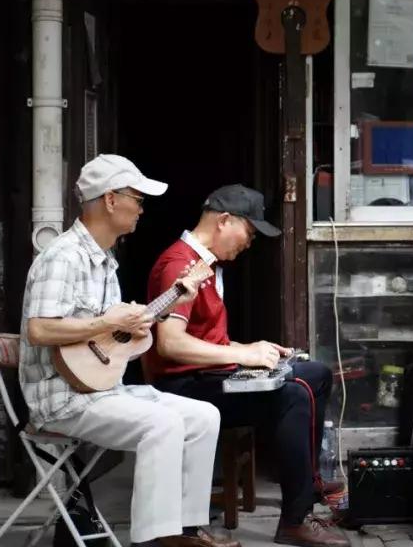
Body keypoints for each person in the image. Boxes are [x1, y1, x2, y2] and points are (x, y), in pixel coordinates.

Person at [19, 154, 238, 547]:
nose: (141, 208)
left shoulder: (107, 263)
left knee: (204, 416)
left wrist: (144, 321)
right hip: (63, 398)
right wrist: (110, 323)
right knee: (162, 424)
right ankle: (155, 538)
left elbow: (111, 345)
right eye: (137, 199)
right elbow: (39, 329)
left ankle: (184, 530)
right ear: (110, 200)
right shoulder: (63, 257)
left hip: (102, 389)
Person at [144, 184, 347, 547]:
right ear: (224, 221)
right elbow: (170, 343)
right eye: (249, 232)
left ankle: (311, 487)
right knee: (294, 394)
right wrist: (243, 356)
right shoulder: (181, 264)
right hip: (184, 386)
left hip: (206, 375)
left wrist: (251, 347)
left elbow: (207, 341)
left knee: (316, 373)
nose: (249, 242)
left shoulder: (208, 263)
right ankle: (295, 519)